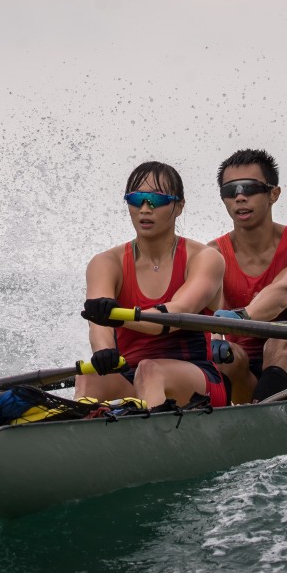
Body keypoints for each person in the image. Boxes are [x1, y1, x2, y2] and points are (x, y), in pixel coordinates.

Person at [78, 161, 229, 409]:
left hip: (198, 379)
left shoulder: (205, 258)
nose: (144, 209)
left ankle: (148, 436)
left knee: (150, 370)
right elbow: (98, 324)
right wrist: (104, 350)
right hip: (131, 375)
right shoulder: (105, 263)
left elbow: (176, 312)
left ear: (179, 206)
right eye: (136, 199)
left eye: (156, 200)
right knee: (89, 373)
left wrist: (116, 317)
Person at [208, 149, 287, 403]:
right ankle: (252, 414)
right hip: (243, 375)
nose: (240, 197)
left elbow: (285, 291)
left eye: (249, 188)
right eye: (230, 191)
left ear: (274, 193)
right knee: (227, 356)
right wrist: (215, 335)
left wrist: (242, 317)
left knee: (279, 339)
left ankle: (263, 419)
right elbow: (210, 312)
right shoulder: (212, 255)